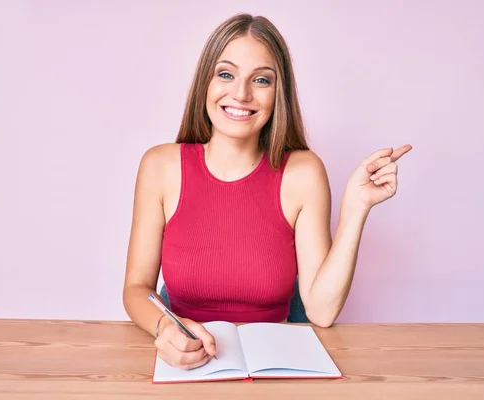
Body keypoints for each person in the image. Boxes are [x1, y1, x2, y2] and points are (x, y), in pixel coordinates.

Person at [123, 13, 412, 370]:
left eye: (261, 80)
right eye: (226, 74)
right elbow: (137, 288)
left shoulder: (304, 172)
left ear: (279, 94)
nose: (241, 93)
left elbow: (321, 312)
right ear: (205, 84)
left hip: (274, 366)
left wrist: (356, 208)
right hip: (184, 365)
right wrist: (165, 327)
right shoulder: (160, 166)